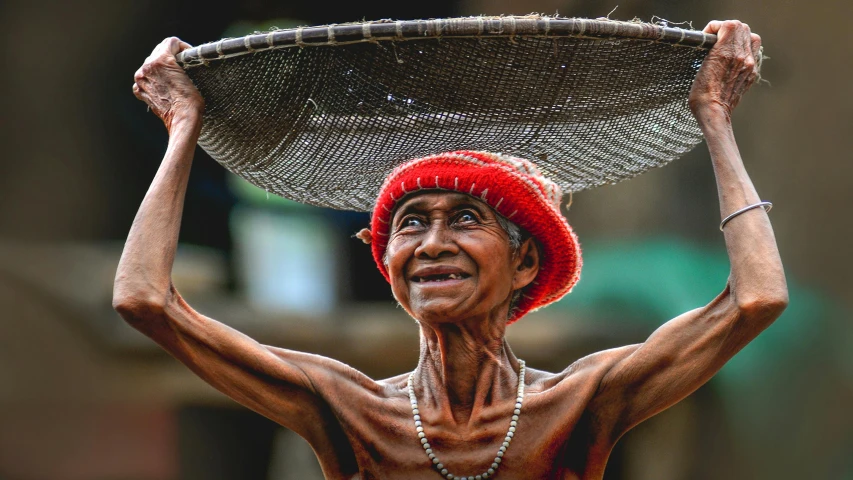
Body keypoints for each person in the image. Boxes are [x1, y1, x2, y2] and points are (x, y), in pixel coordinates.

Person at [114, 20, 787, 480]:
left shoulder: (581, 403)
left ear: (525, 262)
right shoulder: (349, 410)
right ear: (390, 268)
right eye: (409, 225)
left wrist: (712, 115)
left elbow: (755, 298)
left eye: (465, 218)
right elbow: (145, 300)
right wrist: (182, 127)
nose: (432, 243)